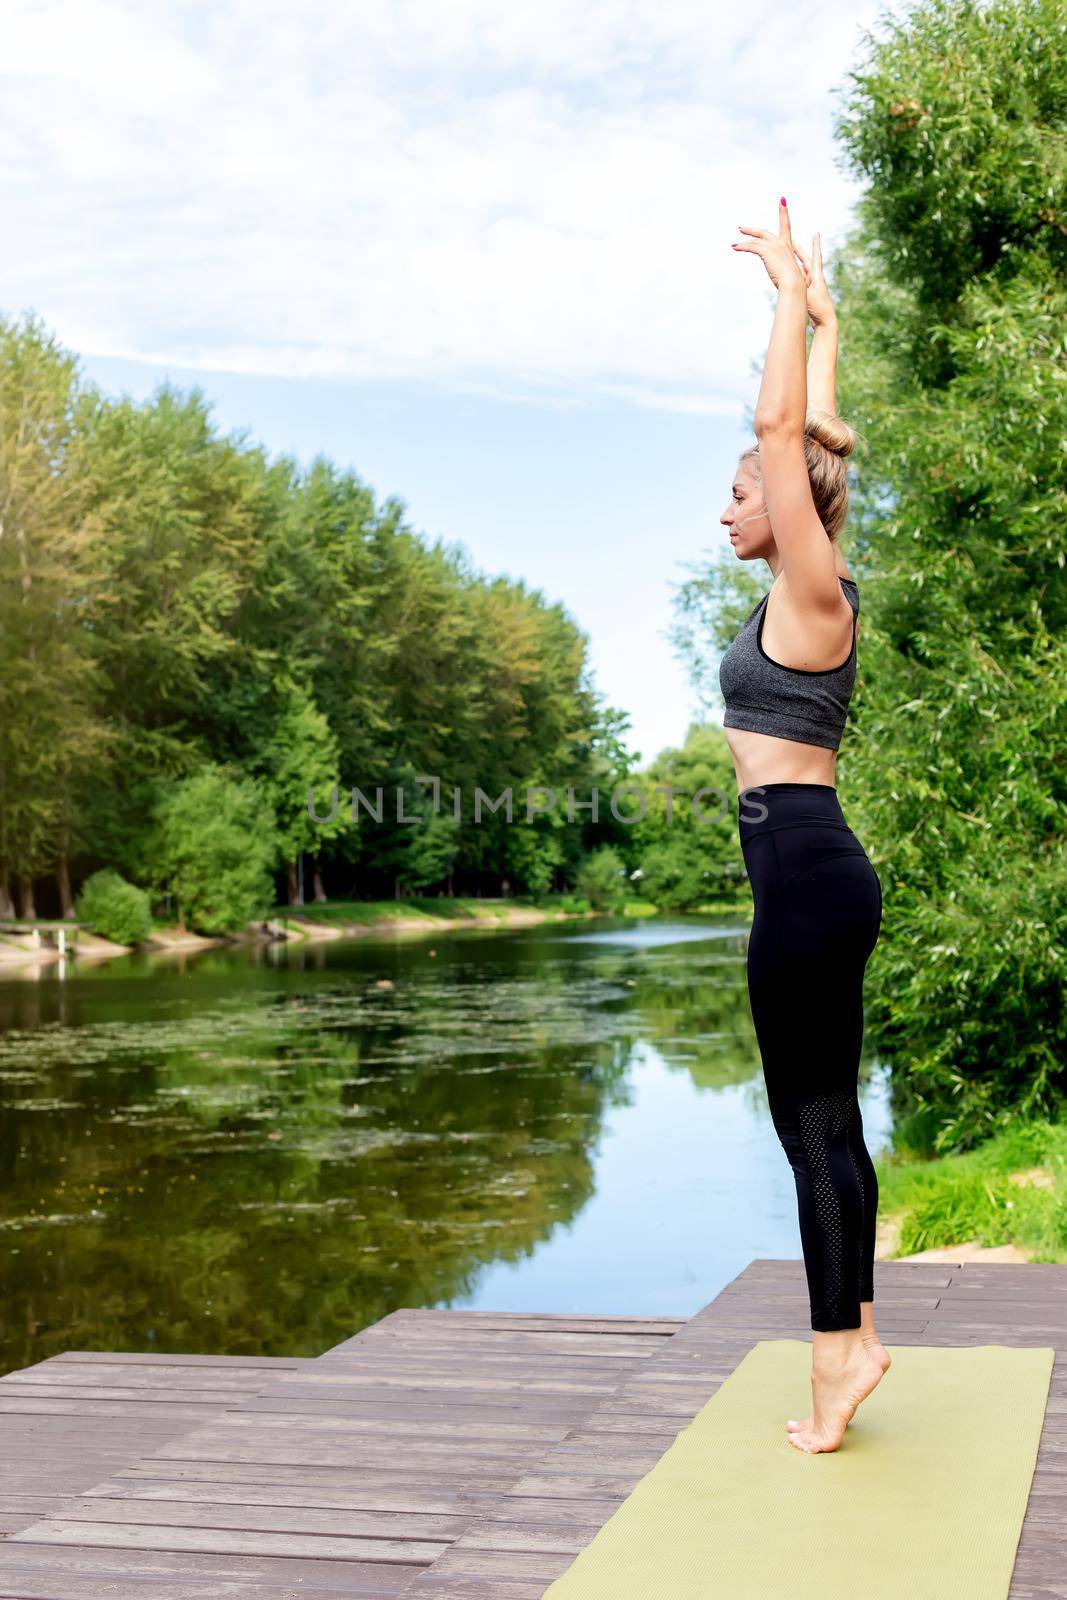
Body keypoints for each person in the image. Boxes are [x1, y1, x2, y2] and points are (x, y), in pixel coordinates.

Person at [720, 198, 889, 1454]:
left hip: (804, 871)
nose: (728, 510)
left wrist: (780, 293)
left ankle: (836, 1363)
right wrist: (822, 328)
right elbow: (820, 436)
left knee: (807, 1128)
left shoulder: (811, 586)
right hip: (806, 870)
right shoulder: (818, 574)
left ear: (787, 510)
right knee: (827, 1118)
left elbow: (784, 434)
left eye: (740, 494)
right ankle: (859, 1337)